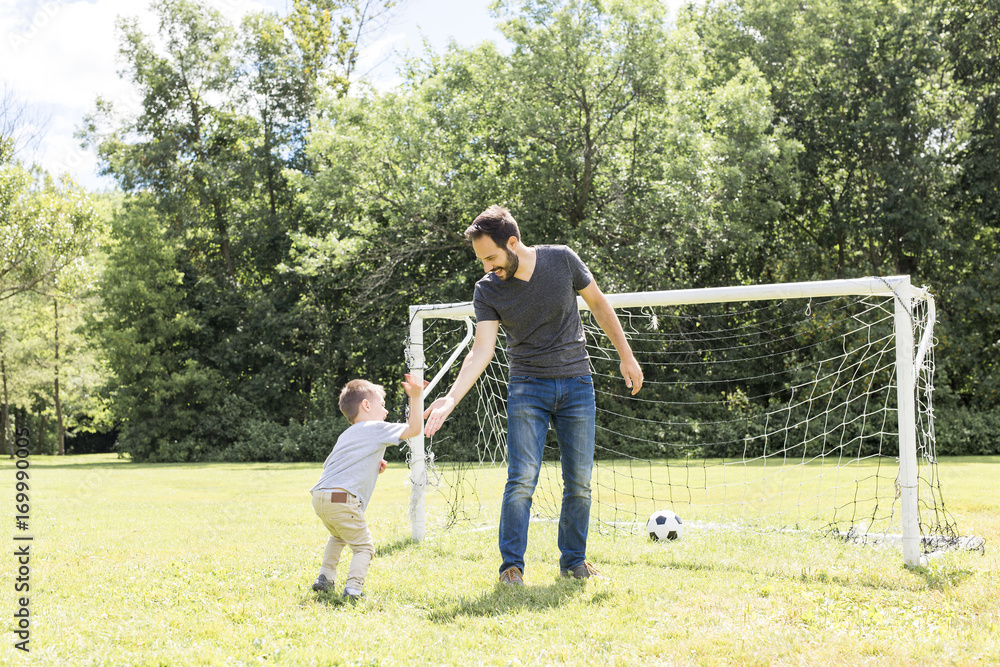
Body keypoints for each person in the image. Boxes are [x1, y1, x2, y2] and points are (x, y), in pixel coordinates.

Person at [423, 205, 642, 586]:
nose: (487, 267)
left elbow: (600, 304)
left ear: (513, 242)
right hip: (527, 387)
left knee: (581, 481)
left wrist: (627, 356)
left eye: (491, 257)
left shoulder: (562, 259)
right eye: (481, 260)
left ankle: (574, 561)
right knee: (522, 478)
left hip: (577, 384)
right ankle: (512, 567)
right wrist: (451, 398)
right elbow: (481, 349)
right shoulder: (487, 290)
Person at [310, 374, 426, 601]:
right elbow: (413, 429)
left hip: (320, 496)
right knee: (364, 548)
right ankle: (353, 590)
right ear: (366, 405)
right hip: (342, 499)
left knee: (338, 536)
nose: (386, 412)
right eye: (382, 406)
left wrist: (372, 465)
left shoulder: (346, 435)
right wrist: (416, 397)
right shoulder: (374, 427)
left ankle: (325, 577)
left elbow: (334, 464)